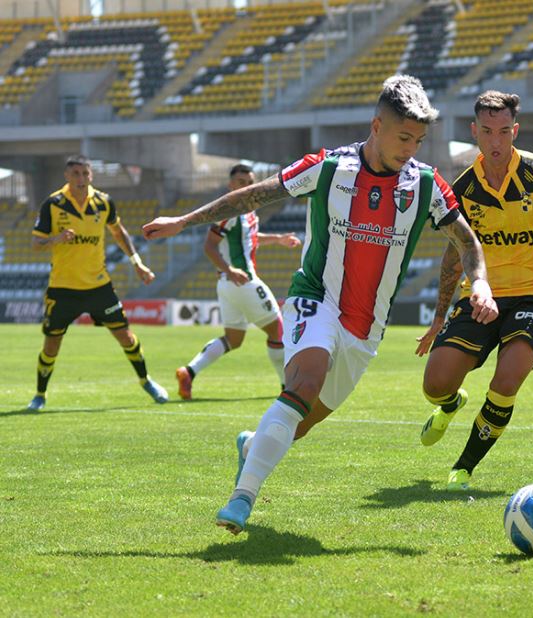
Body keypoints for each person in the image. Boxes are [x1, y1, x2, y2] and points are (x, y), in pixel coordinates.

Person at [143, 75, 499, 534]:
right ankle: (241, 499)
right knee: (304, 381)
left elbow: (466, 243)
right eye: (403, 136)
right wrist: (185, 221)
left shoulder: (426, 185)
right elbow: (254, 195)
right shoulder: (329, 168)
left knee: (302, 424)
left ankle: (252, 446)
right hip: (316, 298)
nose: (411, 147)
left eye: (419, 139)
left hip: (367, 327)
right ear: (376, 125)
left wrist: (482, 285)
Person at [415, 90, 533, 491]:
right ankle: (451, 404)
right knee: (434, 384)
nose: (496, 141)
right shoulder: (463, 187)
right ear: (474, 131)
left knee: (507, 380)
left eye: (504, 131)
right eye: (488, 131)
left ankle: (464, 467)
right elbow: (455, 254)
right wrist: (439, 316)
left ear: (515, 130)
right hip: (479, 296)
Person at [27, 155, 168, 411]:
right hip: (63, 288)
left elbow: (119, 232)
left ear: (91, 175)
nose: (81, 179)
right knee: (51, 344)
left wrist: (137, 262)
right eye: (76, 174)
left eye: (85, 174)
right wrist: (55, 239)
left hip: (98, 286)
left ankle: (146, 380)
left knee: (126, 336)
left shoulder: (103, 202)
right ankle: (39, 395)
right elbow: (36, 243)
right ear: (67, 177)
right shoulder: (53, 204)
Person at [175, 163, 301, 399]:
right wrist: (231, 270)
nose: (247, 187)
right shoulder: (230, 210)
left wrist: (278, 239)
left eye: (250, 183)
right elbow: (209, 246)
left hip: (227, 285)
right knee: (278, 331)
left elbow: (250, 239)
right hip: (243, 281)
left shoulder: (248, 211)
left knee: (233, 339)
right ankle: (287, 387)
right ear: (231, 185)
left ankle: (189, 372)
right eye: (241, 183)